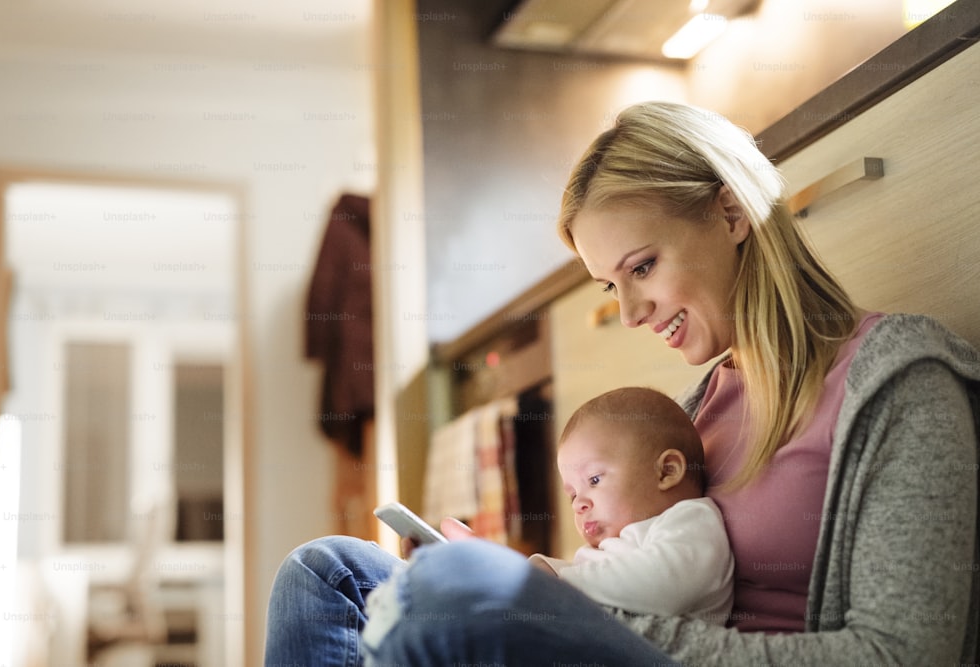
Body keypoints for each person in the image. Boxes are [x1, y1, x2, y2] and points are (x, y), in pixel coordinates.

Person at [264, 101, 980, 666]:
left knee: (456, 589)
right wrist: (554, 599)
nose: (631, 312)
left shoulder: (896, 386)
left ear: (732, 212)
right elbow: (634, 574)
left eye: (641, 267)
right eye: (612, 284)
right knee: (327, 572)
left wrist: (568, 612)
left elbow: (901, 654)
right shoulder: (697, 412)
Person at [527, 386, 733, 625]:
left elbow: (663, 585)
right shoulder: (611, 547)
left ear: (667, 471)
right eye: (573, 495)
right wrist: (549, 569)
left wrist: (562, 582)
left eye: (594, 480)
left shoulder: (692, 519)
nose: (579, 505)